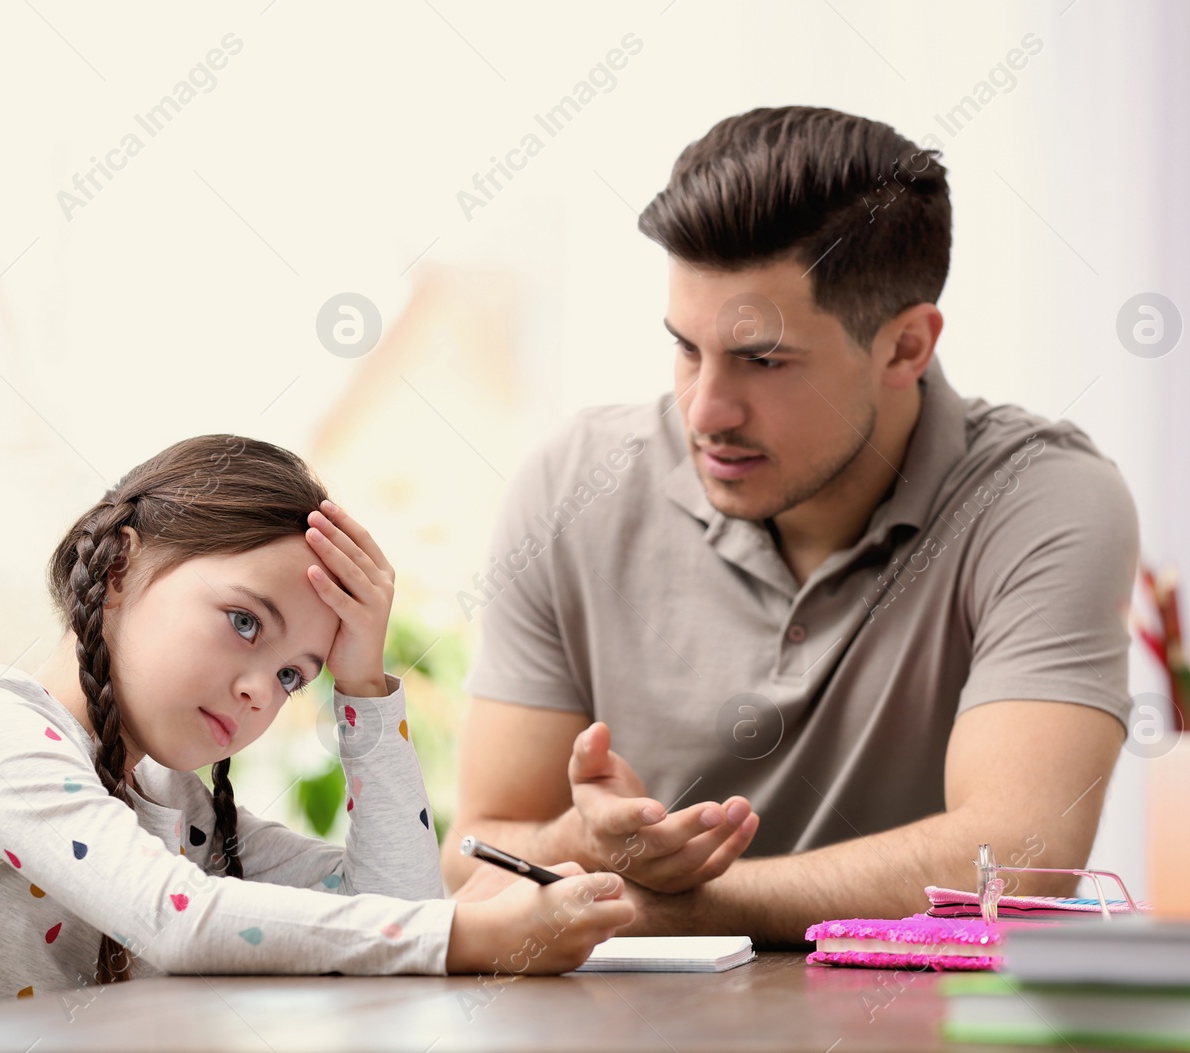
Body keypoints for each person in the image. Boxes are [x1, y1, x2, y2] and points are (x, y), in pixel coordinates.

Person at [442, 106, 1138, 944]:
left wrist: (676, 906)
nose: (705, 409)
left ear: (906, 347)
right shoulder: (573, 481)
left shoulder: (1043, 497)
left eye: (763, 361)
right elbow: (476, 853)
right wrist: (579, 842)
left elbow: (1018, 856)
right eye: (687, 347)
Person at [0, 435, 631, 1032]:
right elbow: (179, 917)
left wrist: (363, 681)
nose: (257, 691)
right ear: (122, 568)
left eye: (291, 675)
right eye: (244, 621)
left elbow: (393, 907)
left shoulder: (168, 801)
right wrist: (473, 931)